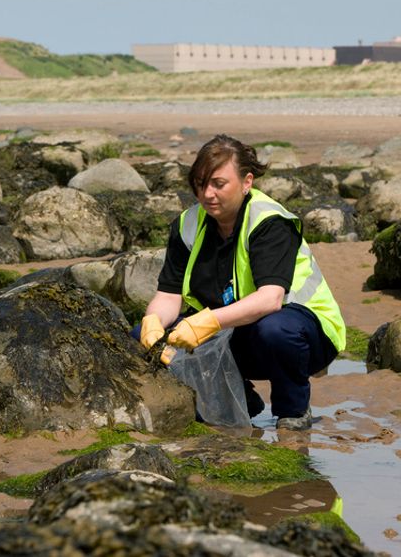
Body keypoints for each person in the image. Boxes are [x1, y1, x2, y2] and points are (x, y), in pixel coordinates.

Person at [132, 134, 345, 430]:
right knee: (140, 336)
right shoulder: (187, 224)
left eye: (218, 184)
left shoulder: (269, 222)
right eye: (200, 184)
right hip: (235, 332)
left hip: (304, 335)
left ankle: (293, 412)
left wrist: (203, 324)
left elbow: (270, 300)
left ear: (247, 182)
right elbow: (168, 295)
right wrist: (153, 321)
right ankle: (239, 400)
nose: (207, 194)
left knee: (275, 330)